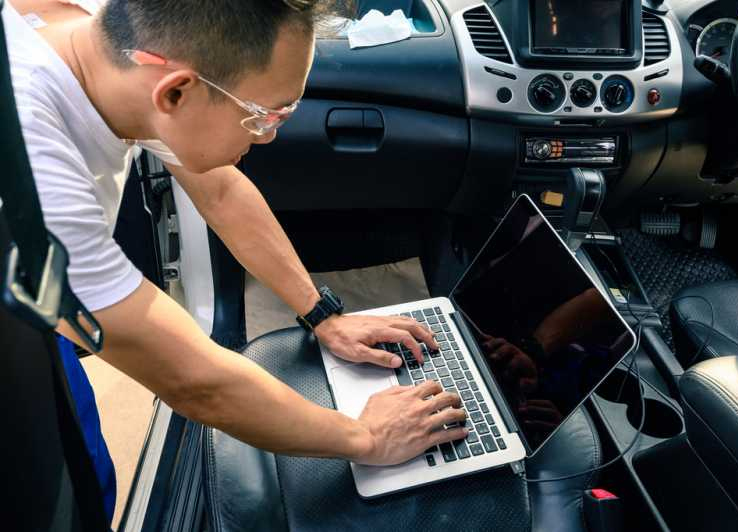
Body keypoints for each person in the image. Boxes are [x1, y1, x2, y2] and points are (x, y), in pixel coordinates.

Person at [3, 0, 467, 522]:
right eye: (264, 114)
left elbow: (218, 189)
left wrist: (324, 316)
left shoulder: (106, 38)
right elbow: (192, 383)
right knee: (63, 488)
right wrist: (365, 436)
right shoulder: (35, 176)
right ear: (175, 92)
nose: (270, 136)